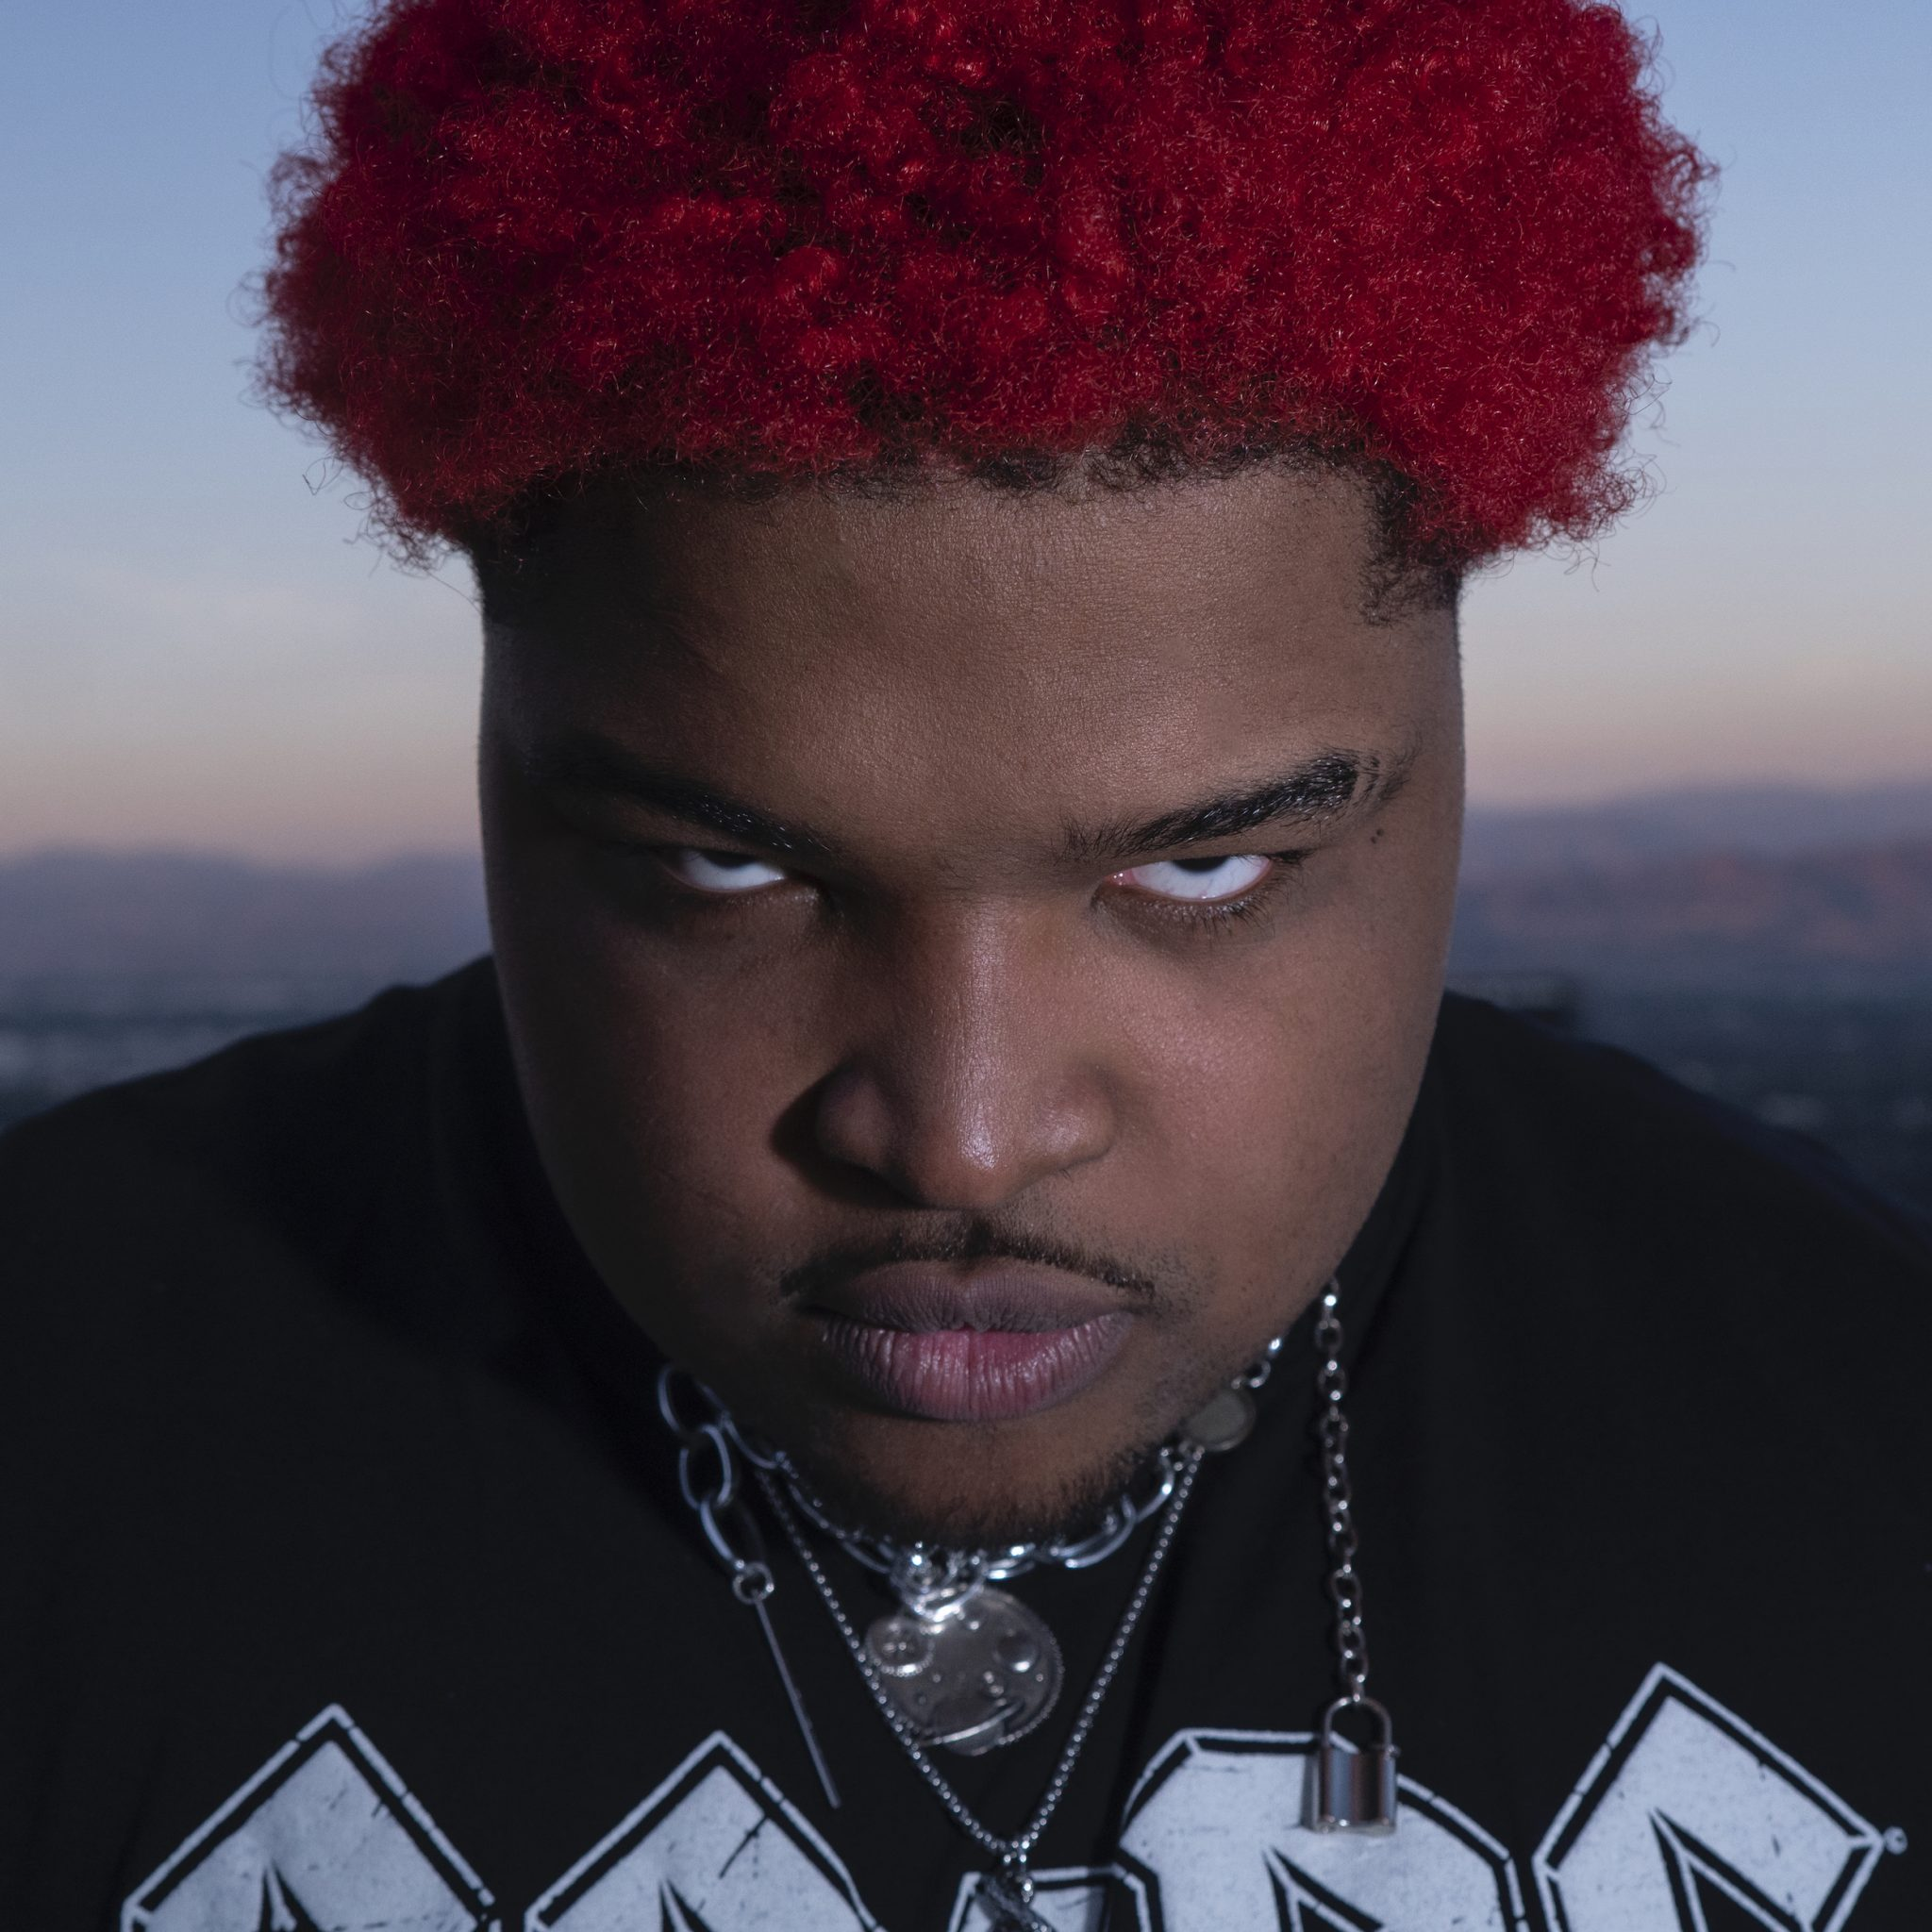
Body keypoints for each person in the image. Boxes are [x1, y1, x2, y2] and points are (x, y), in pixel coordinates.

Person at [3, 0, 1925, 1924]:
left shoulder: (1860, 1417)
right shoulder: (62, 1412)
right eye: (725, 865)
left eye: (1202, 866)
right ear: (499, 743)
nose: (965, 1137)